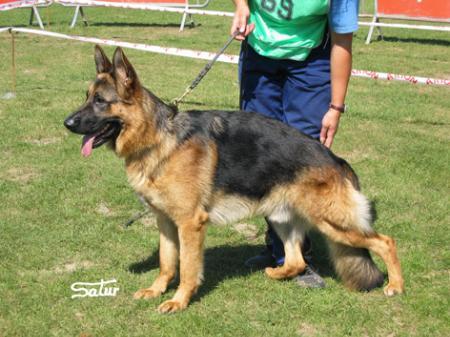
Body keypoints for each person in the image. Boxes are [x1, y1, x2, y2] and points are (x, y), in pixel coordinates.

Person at [230, 0, 359, 288]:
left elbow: (342, 42)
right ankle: (280, 250)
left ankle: (298, 256)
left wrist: (336, 107)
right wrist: (241, 6)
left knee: (302, 161)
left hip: (311, 62)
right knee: (261, 159)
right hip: (259, 56)